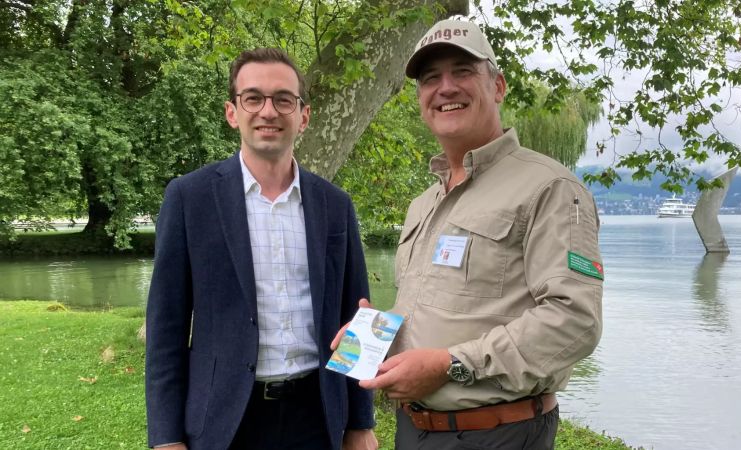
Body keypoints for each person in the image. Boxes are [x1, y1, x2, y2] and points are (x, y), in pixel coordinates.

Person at [353, 19, 604, 449]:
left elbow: (575, 320)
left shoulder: (550, 188)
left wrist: (448, 365)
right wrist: (373, 335)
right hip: (414, 432)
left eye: (462, 71)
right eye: (431, 78)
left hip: (497, 434)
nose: (445, 87)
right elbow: (440, 313)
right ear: (420, 99)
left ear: (498, 86)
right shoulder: (421, 205)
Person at [145, 48, 377, 450]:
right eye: (253, 98)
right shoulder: (189, 198)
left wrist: (360, 422)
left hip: (317, 417)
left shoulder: (335, 204)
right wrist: (165, 439)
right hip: (224, 422)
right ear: (232, 112)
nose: (268, 111)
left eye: (283, 99)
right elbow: (166, 329)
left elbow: (356, 317)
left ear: (303, 116)